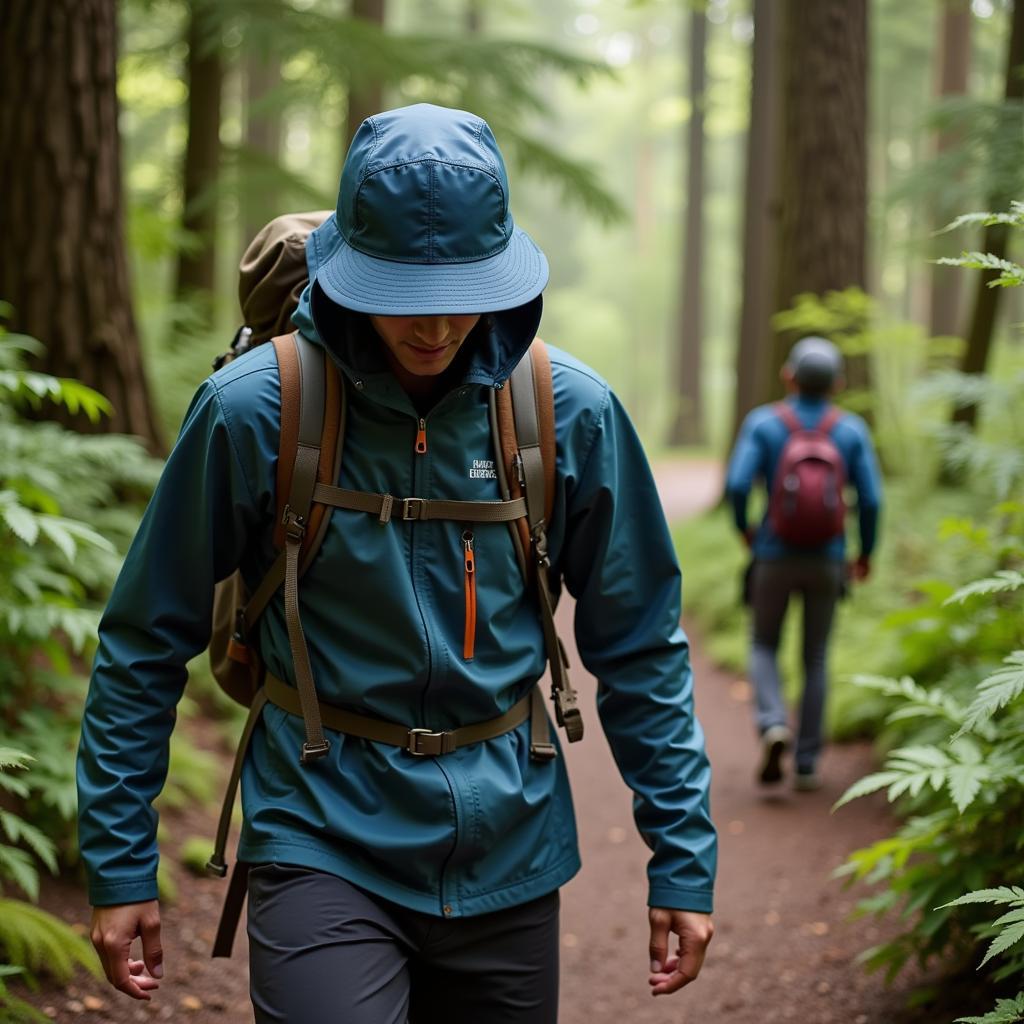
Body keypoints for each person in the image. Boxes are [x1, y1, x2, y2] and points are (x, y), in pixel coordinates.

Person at [76, 104, 716, 1022]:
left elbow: (643, 648)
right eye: (403, 294)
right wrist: (120, 861)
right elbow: (143, 642)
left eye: (464, 287)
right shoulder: (254, 412)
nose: (438, 323)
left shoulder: (567, 413)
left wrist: (684, 862)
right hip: (318, 827)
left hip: (511, 843)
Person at [725, 336, 882, 792]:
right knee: (815, 657)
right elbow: (871, 499)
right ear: (838, 382)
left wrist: (746, 529)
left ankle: (774, 723)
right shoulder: (850, 430)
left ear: (788, 375)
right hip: (828, 560)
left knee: (762, 645)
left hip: (773, 555)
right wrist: (865, 552)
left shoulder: (764, 423)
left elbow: (737, 484)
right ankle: (809, 763)